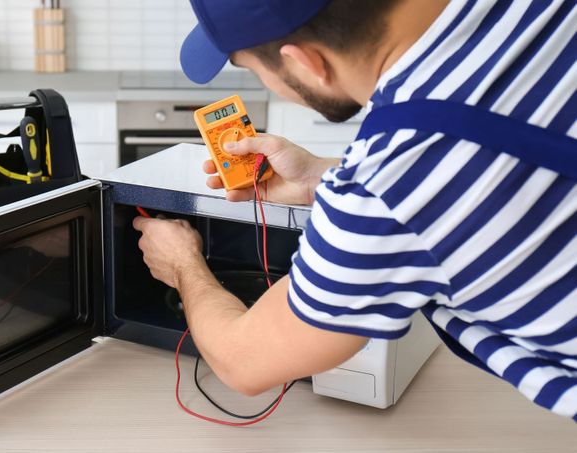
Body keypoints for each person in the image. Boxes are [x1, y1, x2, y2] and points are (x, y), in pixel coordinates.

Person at [132, 0, 576, 420]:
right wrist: (322, 178)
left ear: (308, 63)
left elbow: (241, 363)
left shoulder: (386, 189)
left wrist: (182, 263)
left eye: (257, 71)